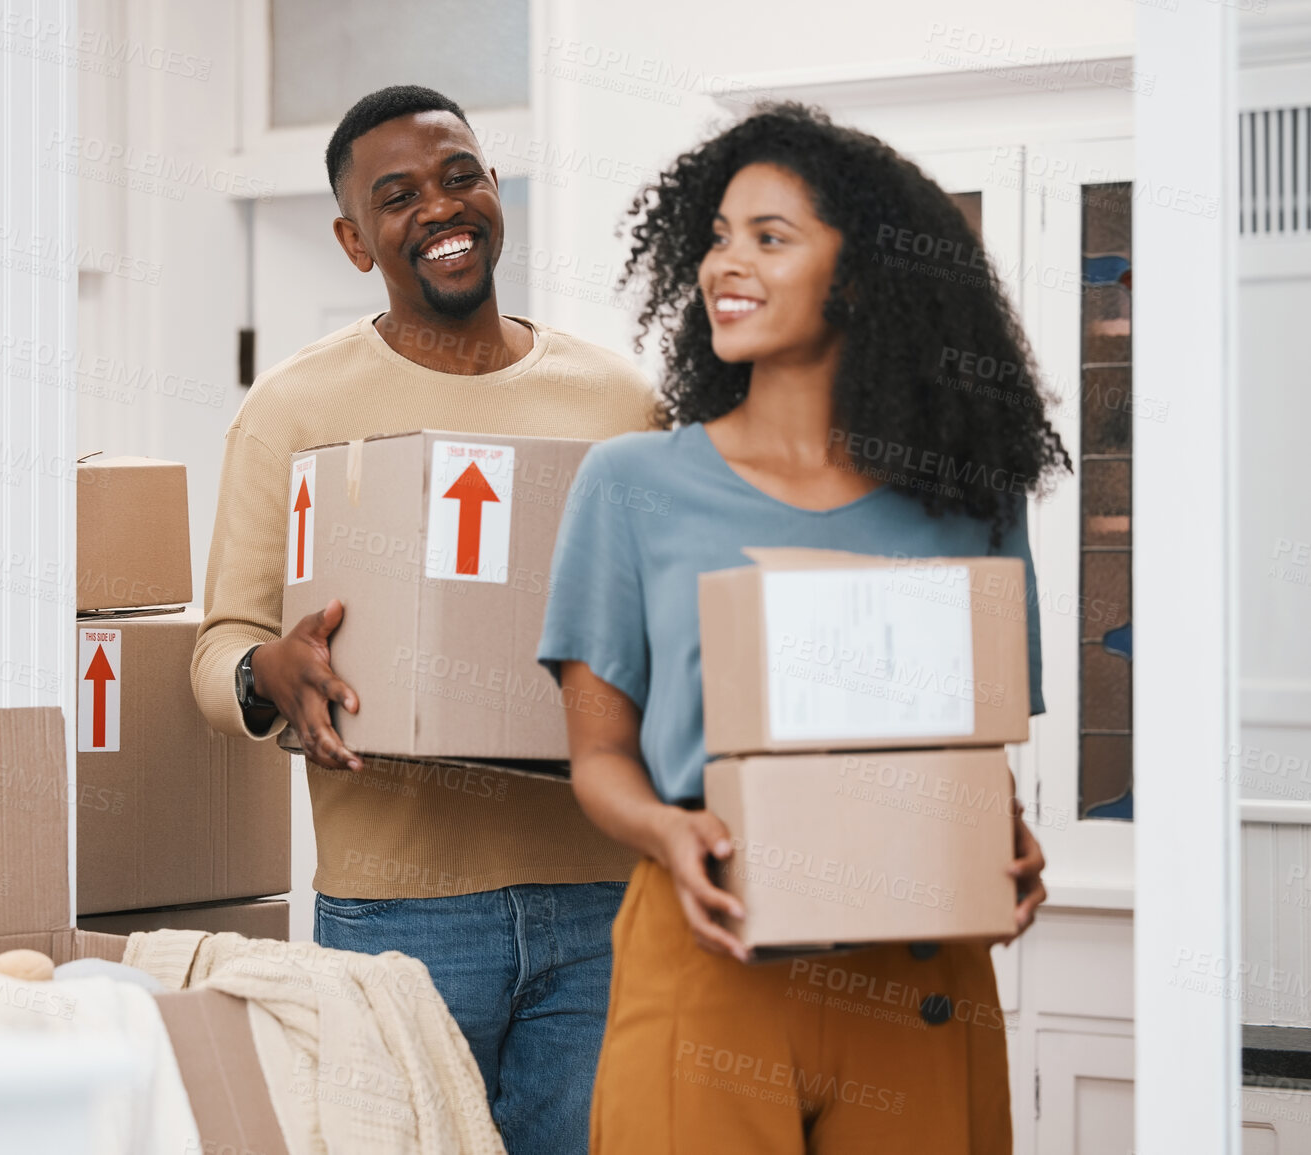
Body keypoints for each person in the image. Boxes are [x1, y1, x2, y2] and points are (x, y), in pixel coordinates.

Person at [536, 103, 1065, 1154]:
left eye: (770, 239)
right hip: (711, 946)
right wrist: (667, 832)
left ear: (860, 277)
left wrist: (1006, 846)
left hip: (916, 967)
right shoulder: (632, 485)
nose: (727, 263)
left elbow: (978, 761)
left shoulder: (967, 500)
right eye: (719, 236)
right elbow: (597, 756)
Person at [190, 85, 655, 1155]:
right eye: (399, 196)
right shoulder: (294, 410)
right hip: (399, 912)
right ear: (357, 241)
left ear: (496, 193)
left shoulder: (619, 402)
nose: (441, 209)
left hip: (601, 901)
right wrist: (270, 673)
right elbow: (217, 648)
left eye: (461, 177)